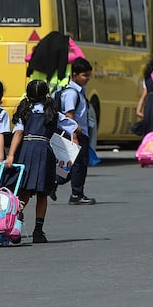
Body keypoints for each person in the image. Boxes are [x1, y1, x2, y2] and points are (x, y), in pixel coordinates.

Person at [3, 79, 79, 243]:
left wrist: (11, 155)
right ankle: (38, 230)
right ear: (46, 94)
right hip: (44, 150)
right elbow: (74, 126)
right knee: (42, 193)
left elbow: (17, 134)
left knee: (23, 190)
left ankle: (16, 223)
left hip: (26, 149)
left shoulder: (24, 112)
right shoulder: (52, 113)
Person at [55, 57, 97, 205]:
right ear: (74, 75)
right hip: (75, 134)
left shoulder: (79, 91)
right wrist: (74, 137)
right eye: (84, 75)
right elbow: (69, 116)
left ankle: (54, 183)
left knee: (73, 165)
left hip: (81, 133)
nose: (87, 79)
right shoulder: (71, 93)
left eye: (88, 75)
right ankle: (76, 195)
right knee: (78, 166)